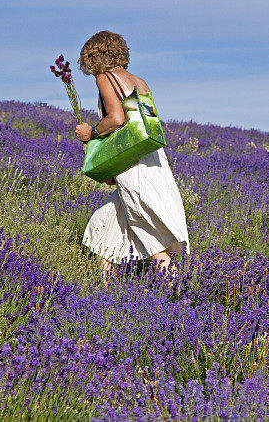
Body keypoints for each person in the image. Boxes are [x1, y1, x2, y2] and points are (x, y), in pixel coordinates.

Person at [74, 31, 190, 281]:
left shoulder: (105, 76)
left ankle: (177, 294)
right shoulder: (140, 81)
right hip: (151, 157)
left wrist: (90, 133)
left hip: (133, 164)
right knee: (104, 225)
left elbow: (116, 118)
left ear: (94, 55)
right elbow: (145, 123)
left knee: (149, 231)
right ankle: (103, 290)